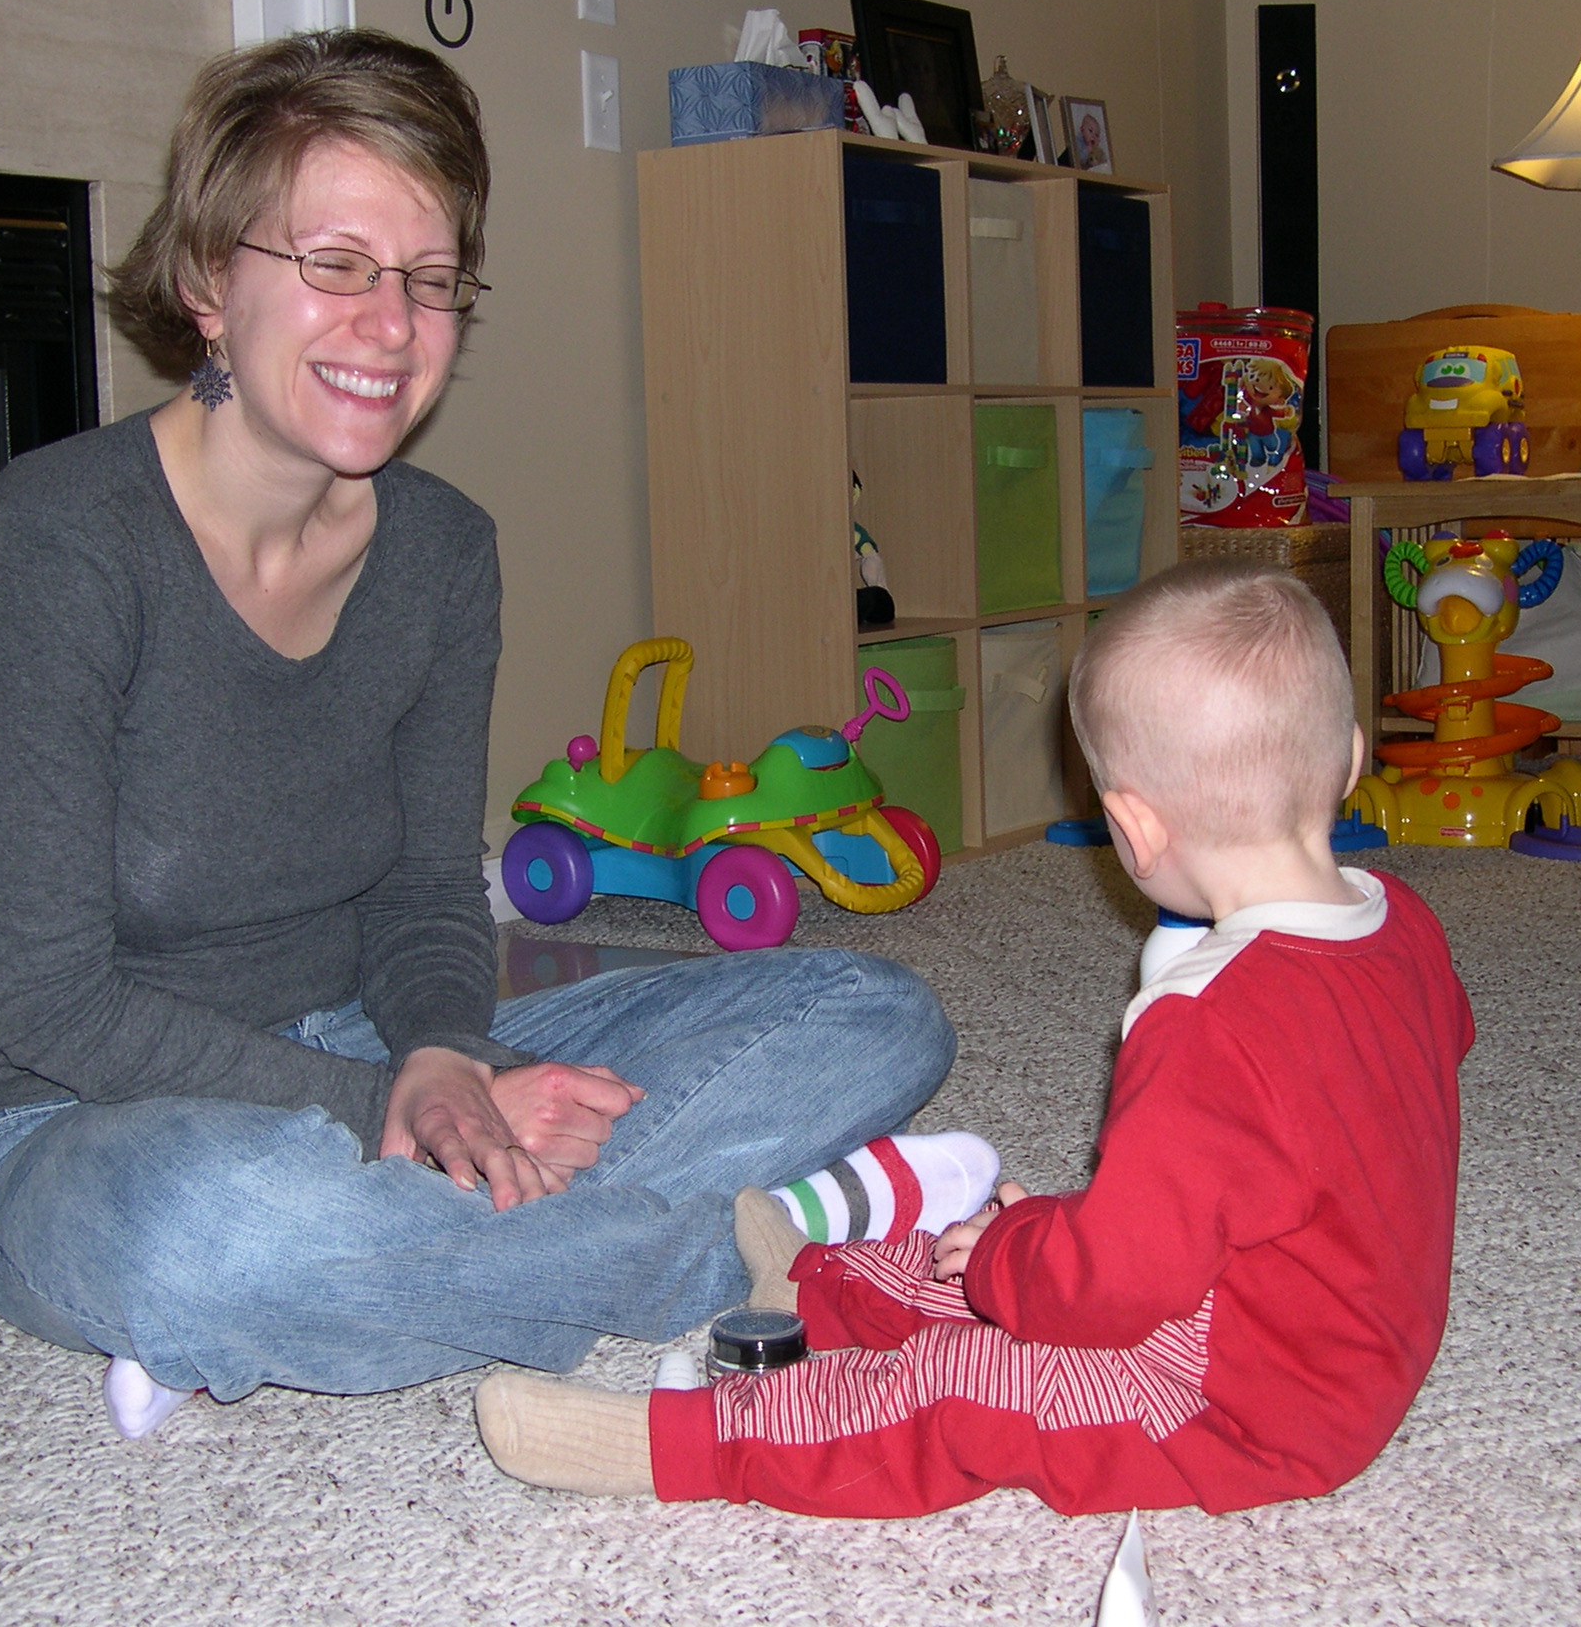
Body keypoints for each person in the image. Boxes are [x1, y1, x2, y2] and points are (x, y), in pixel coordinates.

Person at [0, 29, 965, 1441]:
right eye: (335, 263)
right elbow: (44, 1005)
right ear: (206, 282)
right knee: (219, 1233)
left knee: (874, 1013)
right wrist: (380, 1098)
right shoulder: (54, 550)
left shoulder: (442, 551)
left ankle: (379, 1274)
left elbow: (420, 891)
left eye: (429, 279)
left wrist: (449, 1054)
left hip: (367, 1037)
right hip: (62, 1119)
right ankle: (810, 1242)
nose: (390, 325)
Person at [475, 562, 1475, 1516]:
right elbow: (1359, 1105)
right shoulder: (1399, 920)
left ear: (1134, 827)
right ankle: (819, 1283)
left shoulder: (1206, 1022)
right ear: (1347, 756)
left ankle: (675, 1444)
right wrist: (1030, 1243)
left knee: (966, 1384)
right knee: (999, 1244)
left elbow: (1116, 1287)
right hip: (1328, 1329)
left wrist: (1018, 1260)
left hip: (1245, 1405)